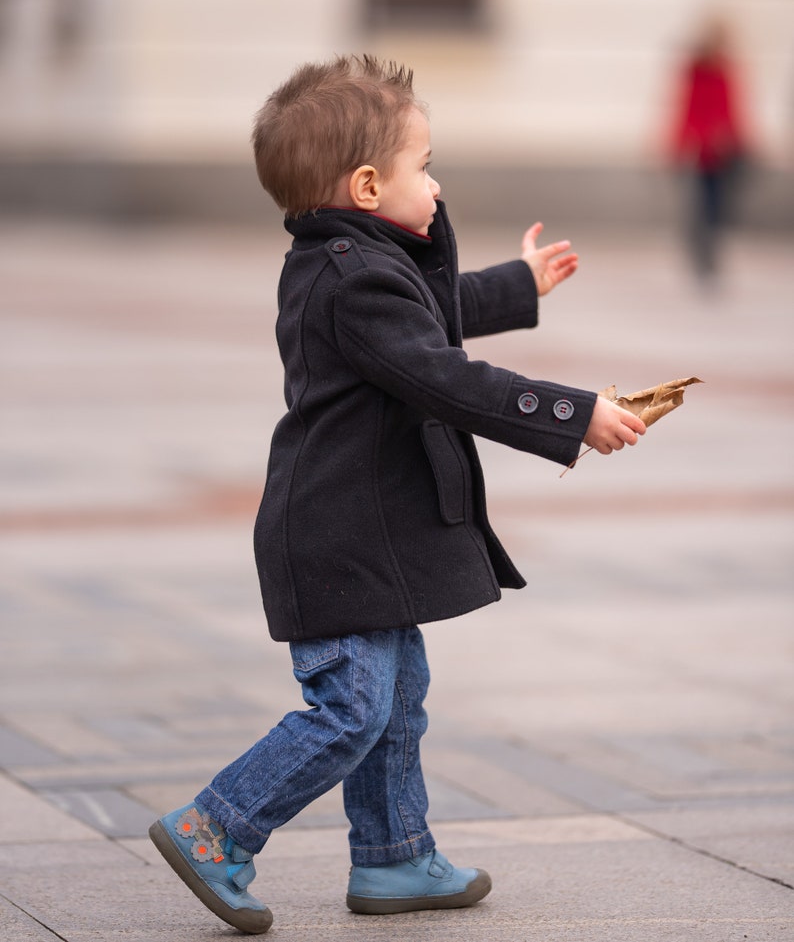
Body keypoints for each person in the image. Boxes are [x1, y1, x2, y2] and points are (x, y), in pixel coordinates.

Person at [148, 55, 646, 935]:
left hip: (365, 532)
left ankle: (392, 855)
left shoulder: (354, 263)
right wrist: (573, 415)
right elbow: (441, 373)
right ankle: (216, 826)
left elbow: (429, 307)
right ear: (370, 185)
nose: (438, 182)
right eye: (426, 168)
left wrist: (514, 285)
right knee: (351, 708)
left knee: (398, 693)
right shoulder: (354, 277)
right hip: (338, 535)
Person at [670, 16, 749, 286]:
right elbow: (686, 109)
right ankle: (701, 252)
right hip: (700, 151)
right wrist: (680, 143)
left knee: (717, 205)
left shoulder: (724, 71)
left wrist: (737, 139)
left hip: (722, 152)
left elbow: (732, 109)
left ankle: (710, 252)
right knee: (700, 204)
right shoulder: (696, 71)